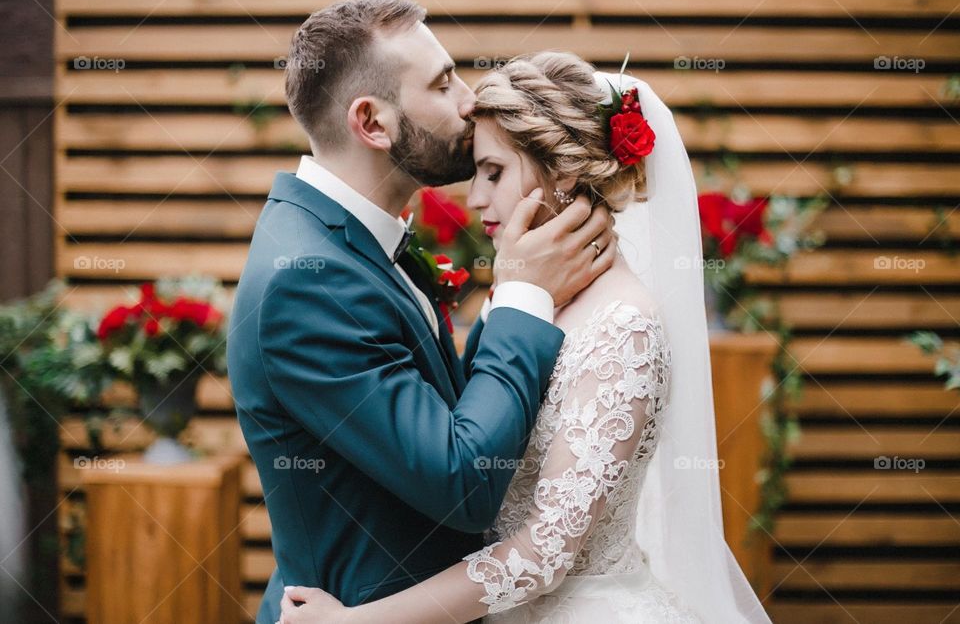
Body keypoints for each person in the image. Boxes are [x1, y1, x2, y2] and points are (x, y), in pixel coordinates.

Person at [277, 52, 772, 623]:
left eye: (494, 172)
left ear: (561, 172)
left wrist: (353, 622)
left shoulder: (624, 325)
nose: (476, 198)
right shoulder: (526, 298)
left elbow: (545, 555)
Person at [226, 0, 616, 624]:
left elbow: (435, 409)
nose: (469, 100)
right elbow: (463, 482)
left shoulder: (351, 241)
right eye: (441, 83)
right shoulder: (309, 283)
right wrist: (522, 295)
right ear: (372, 124)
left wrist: (517, 294)